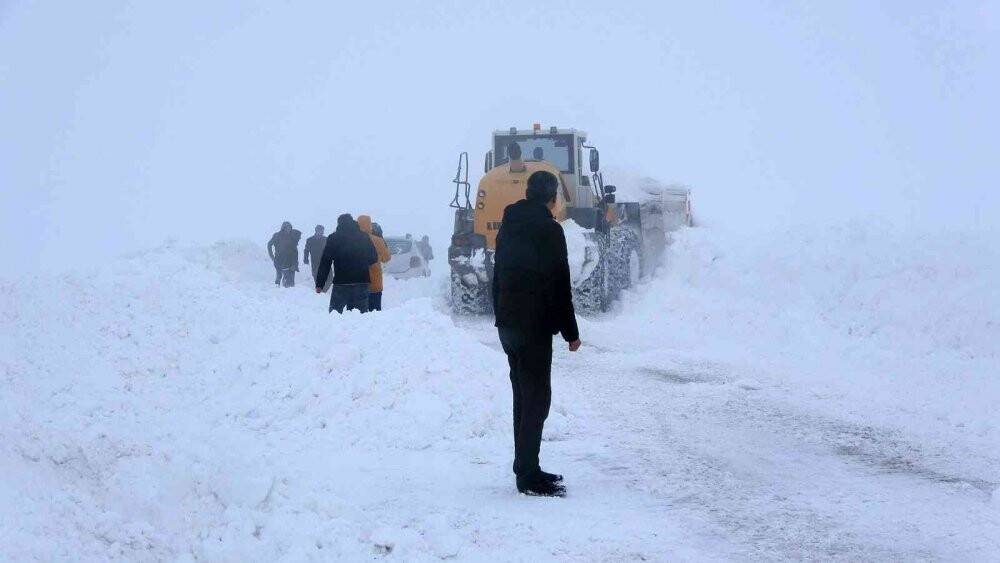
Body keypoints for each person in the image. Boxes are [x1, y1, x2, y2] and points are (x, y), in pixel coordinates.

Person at [492, 170, 581, 497]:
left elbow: (498, 275)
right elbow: (559, 284)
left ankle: (525, 467)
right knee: (537, 398)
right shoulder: (549, 230)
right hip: (533, 326)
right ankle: (528, 475)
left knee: (523, 396)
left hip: (509, 325)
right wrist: (571, 331)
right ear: (553, 197)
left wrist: (500, 316)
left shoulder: (507, 227)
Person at [315, 214, 377, 313]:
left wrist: (319, 284)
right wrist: (361, 264)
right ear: (353, 222)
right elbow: (373, 258)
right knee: (361, 318)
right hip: (361, 281)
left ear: (339, 224)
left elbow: (325, 262)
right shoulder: (364, 237)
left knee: (335, 315)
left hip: (341, 282)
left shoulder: (333, 238)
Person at [357, 215, 391, 311]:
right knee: (375, 315)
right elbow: (387, 258)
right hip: (375, 284)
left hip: (357, 284)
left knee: (357, 315)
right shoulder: (378, 240)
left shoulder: (351, 240)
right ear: (370, 225)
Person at [267, 221, 301, 287]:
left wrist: (295, 263)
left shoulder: (292, 237)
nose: (288, 229)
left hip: (290, 260)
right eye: (287, 228)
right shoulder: (277, 235)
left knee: (290, 281)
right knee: (279, 276)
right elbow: (269, 245)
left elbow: (295, 251)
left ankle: (288, 290)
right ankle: (277, 290)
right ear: (283, 228)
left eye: (290, 228)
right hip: (279, 259)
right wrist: (272, 256)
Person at [303, 225, 332, 292]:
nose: (321, 232)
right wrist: (305, 259)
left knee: (330, 278)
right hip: (315, 263)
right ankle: (319, 294)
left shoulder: (326, 239)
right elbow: (306, 250)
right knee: (317, 279)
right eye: (319, 231)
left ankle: (323, 292)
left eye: (322, 231)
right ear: (316, 231)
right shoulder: (310, 240)